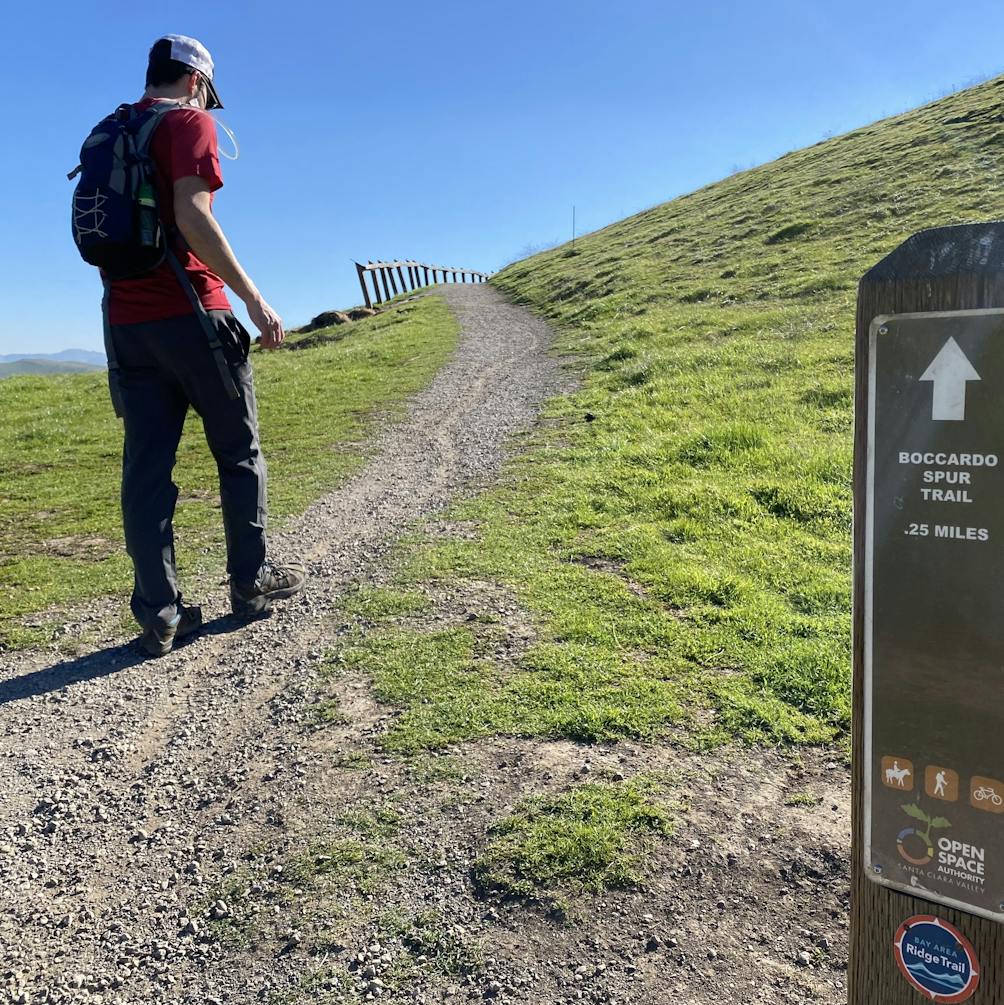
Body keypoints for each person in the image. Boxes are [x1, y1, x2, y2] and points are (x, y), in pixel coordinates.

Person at [104, 35, 305, 657]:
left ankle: (160, 613)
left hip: (124, 323)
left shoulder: (113, 129)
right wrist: (251, 296)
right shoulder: (188, 123)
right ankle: (250, 582)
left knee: (146, 469)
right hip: (194, 313)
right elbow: (192, 215)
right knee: (238, 451)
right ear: (197, 81)